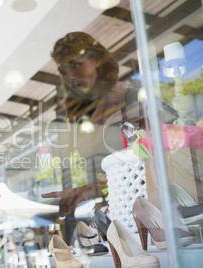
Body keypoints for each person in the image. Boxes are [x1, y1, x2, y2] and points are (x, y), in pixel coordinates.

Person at [42, 31, 142, 217]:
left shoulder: (130, 100)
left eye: (76, 66)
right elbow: (117, 177)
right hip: (120, 214)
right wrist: (88, 190)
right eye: (63, 71)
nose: (70, 77)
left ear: (97, 60)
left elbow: (151, 167)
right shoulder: (83, 119)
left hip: (148, 212)